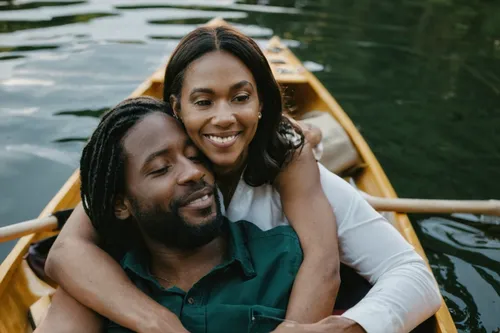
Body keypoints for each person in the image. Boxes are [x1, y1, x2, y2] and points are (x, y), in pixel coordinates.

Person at [44, 26, 441, 333]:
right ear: (174, 107)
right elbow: (66, 253)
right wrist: (157, 322)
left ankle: (316, 134)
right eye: (203, 101)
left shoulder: (294, 167)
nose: (223, 117)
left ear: (261, 102)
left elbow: (402, 274)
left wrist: (350, 326)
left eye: (240, 97)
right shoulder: (148, 177)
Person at [36, 97, 310, 333]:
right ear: (121, 205)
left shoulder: (287, 258)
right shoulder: (96, 285)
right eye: (160, 169)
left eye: (195, 156)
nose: (193, 172)